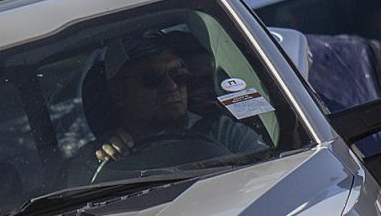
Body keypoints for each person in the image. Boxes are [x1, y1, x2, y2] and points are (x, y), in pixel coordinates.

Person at [90, 30, 267, 169]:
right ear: (119, 91)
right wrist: (107, 159)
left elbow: (269, 169)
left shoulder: (224, 133)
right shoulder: (99, 156)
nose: (172, 86)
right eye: (153, 79)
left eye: (179, 75)